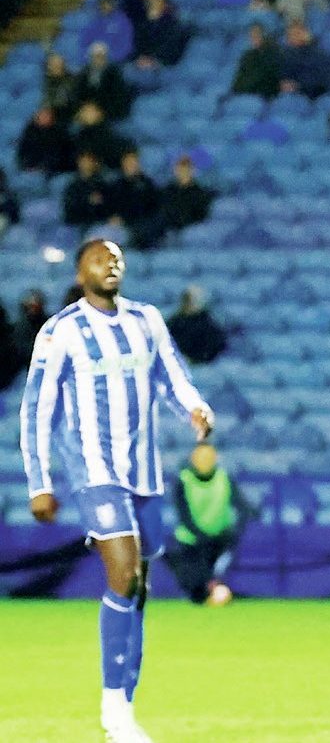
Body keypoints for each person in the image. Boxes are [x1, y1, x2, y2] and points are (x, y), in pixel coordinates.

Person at [21, 239, 215, 742]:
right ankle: (115, 712)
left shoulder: (145, 319)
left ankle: (124, 703)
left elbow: (173, 376)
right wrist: (40, 482)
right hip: (93, 469)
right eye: (100, 258)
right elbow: (36, 408)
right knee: (124, 575)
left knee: (139, 587)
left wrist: (193, 407)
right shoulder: (60, 330)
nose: (112, 264)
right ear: (81, 269)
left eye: (118, 259)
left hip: (144, 472)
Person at [164, 443, 248, 605]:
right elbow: (183, 514)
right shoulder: (184, 480)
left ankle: (215, 587)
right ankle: (201, 589)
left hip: (219, 541)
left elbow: (242, 507)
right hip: (191, 542)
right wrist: (200, 535)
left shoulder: (224, 478)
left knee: (215, 573)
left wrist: (234, 530)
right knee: (195, 589)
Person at [166, 286, 227, 364]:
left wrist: (193, 360)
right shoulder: (174, 322)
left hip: (202, 363)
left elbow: (213, 349)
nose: (188, 303)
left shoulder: (209, 324)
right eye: (186, 299)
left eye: (191, 300)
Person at [75, 41, 134, 121]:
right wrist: (85, 108)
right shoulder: (84, 72)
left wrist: (99, 111)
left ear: (106, 57)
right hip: (86, 110)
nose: (98, 59)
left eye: (101, 56)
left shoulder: (115, 74)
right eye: (95, 56)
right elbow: (78, 93)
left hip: (106, 113)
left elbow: (117, 98)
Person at [159, 155, 215, 233]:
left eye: (187, 169)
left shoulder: (200, 194)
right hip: (168, 231)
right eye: (181, 169)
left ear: (193, 170)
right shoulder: (167, 191)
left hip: (192, 233)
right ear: (175, 170)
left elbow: (201, 218)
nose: (183, 172)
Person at [278, 22, 330, 98]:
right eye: (290, 35)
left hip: (312, 95)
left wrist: (298, 86)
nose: (294, 37)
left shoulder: (319, 54)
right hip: (290, 95)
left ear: (306, 34)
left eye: (297, 33)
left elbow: (323, 81)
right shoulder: (285, 55)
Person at [17, 104, 74, 176]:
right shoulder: (30, 132)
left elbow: (61, 155)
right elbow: (23, 153)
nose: (44, 117)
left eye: (47, 114)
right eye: (42, 114)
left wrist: (45, 167)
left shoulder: (60, 134)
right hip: (31, 170)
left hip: (55, 172)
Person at [63, 150, 111, 228]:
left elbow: (106, 208)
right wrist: (87, 200)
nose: (86, 163)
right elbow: (69, 210)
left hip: (97, 224)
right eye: (83, 160)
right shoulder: (73, 186)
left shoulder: (102, 184)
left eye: (89, 160)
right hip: (76, 224)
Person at [232, 23, 282, 97]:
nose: (253, 38)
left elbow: (266, 79)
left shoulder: (273, 54)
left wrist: (244, 88)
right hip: (247, 93)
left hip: (264, 95)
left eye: (257, 35)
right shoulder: (247, 55)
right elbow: (238, 79)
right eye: (251, 36)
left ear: (264, 36)